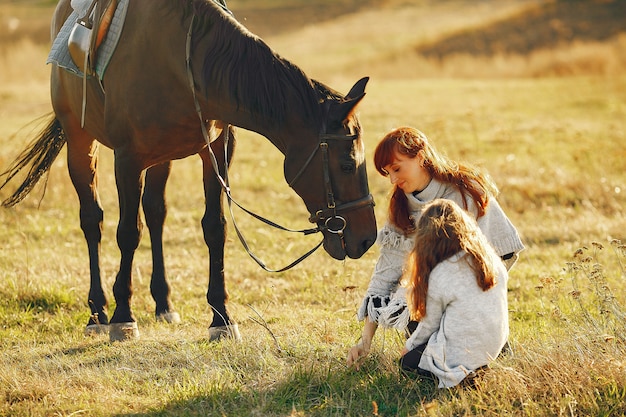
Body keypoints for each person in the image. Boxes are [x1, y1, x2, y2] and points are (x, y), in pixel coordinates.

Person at [346, 126, 523, 371]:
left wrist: (471, 300)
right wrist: (365, 342)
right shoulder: (400, 206)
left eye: (397, 169)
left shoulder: (466, 191)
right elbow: (386, 273)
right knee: (409, 306)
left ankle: (487, 347)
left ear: (420, 156)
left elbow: (500, 257)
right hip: (431, 302)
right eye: (387, 173)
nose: (393, 180)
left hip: (473, 301)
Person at [398, 199, 510, 387]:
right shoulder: (491, 261)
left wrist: (408, 349)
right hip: (494, 346)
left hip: (462, 353)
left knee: (407, 363)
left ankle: (460, 374)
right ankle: (477, 367)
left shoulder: (442, 273)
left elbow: (429, 326)